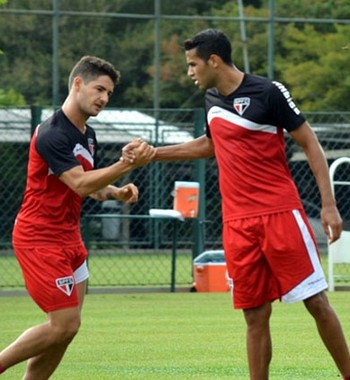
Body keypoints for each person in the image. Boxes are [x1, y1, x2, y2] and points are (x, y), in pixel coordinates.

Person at [128, 29, 350, 379]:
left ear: (213, 61)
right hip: (237, 224)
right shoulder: (212, 99)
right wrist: (153, 154)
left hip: (280, 214)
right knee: (254, 315)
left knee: (316, 302)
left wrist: (329, 205)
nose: (190, 72)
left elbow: (310, 145)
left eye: (193, 64)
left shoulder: (268, 92)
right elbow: (211, 144)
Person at [0, 56, 154, 379]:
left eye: (109, 93)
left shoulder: (89, 135)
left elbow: (90, 187)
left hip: (70, 238)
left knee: (65, 331)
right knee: (64, 324)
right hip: (39, 238)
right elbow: (79, 181)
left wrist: (117, 191)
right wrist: (126, 164)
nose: (104, 98)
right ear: (78, 84)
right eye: (99, 89)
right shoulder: (52, 133)